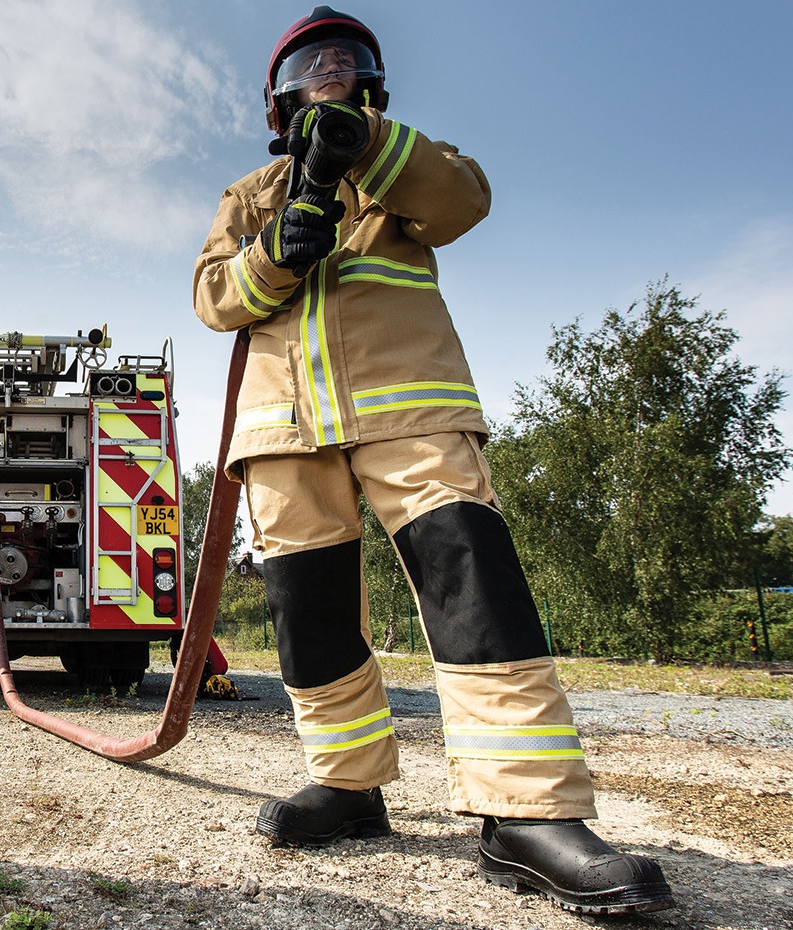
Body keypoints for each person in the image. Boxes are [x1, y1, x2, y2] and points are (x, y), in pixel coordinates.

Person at [191, 8, 674, 916]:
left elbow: (462, 202)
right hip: (281, 432)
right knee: (310, 614)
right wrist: (274, 254)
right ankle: (348, 783)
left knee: (472, 584)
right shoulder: (250, 194)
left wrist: (370, 147)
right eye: (311, 61)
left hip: (409, 410)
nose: (329, 67)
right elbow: (215, 298)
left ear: (372, 83)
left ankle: (525, 811)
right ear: (280, 99)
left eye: (345, 58)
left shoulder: (405, 165)